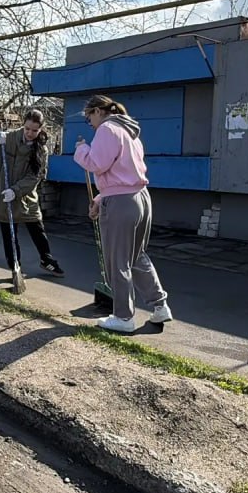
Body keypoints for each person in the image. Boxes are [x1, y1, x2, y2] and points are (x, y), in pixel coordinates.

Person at [73, 94, 172, 333]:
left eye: (89, 118)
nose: (91, 124)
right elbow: (122, 173)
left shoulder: (107, 129)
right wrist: (100, 198)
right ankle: (160, 306)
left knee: (118, 260)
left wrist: (81, 150)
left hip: (120, 202)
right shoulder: (130, 131)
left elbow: (97, 163)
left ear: (98, 111)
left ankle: (123, 317)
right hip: (139, 197)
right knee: (136, 255)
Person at [0, 109, 65, 278]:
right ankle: (15, 267)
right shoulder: (9, 138)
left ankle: (46, 260)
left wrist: (16, 190)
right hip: (3, 195)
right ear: (23, 124)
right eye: (27, 128)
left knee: (38, 230)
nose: (30, 133)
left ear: (40, 129)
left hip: (25, 197)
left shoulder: (41, 150)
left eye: (34, 130)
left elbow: (35, 177)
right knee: (9, 236)